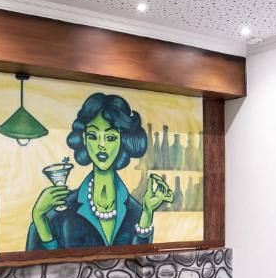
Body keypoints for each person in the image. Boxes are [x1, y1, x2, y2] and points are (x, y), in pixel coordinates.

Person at [27, 92, 172, 250]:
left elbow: (141, 259)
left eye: (110, 138)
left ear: (122, 140)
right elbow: (48, 262)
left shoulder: (137, 212)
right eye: (93, 136)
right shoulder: (61, 209)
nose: (101, 145)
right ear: (84, 138)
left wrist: (148, 212)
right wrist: (39, 218)